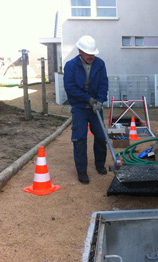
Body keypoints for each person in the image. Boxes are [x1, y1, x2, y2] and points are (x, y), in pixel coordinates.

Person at [63, 35, 109, 184]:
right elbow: (70, 88)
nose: (91, 55)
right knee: (80, 139)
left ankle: (100, 164)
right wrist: (87, 99)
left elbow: (103, 84)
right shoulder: (70, 66)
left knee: (101, 136)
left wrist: (100, 101)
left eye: (93, 53)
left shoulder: (100, 64)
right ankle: (82, 171)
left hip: (96, 106)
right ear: (80, 51)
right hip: (80, 107)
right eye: (88, 53)